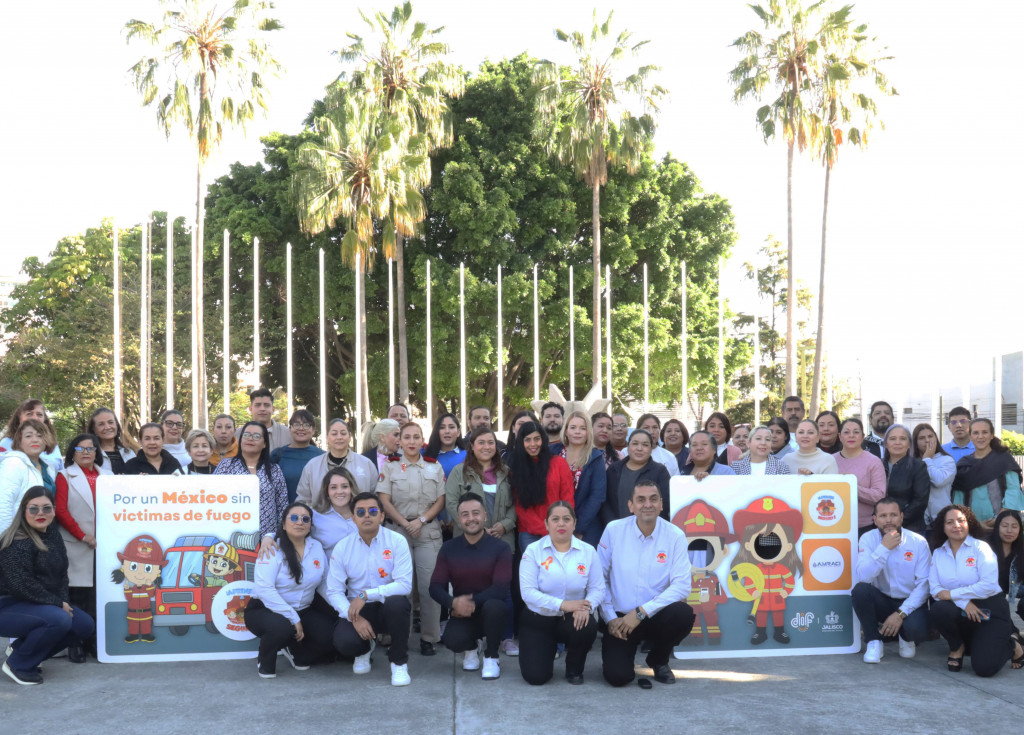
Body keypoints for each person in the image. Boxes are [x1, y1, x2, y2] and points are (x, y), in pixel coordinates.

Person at [598, 480, 694, 687]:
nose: (647, 504)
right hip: (621, 621)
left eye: (653, 499)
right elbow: (599, 578)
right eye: (640, 500)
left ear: (661, 504)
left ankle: (658, 659)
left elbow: (682, 586)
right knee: (618, 678)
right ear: (630, 506)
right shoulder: (613, 530)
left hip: (654, 615)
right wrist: (610, 618)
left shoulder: (675, 535)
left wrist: (641, 612)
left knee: (683, 613)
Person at [0, 487, 95, 685]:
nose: (40, 513)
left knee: (82, 625)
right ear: (24, 511)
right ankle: (18, 665)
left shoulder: (52, 535)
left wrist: (64, 602)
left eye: (46, 508)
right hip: (7, 605)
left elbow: (61, 576)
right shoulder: (16, 541)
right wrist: (57, 604)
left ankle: (21, 649)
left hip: (35, 604)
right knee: (58, 619)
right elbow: (21, 585)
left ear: (53, 511)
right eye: (33, 509)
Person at [326, 491, 414, 686]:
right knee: (344, 643)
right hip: (358, 610)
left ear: (382, 516)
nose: (367, 515)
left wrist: (366, 594)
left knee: (398, 603)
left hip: (386, 606)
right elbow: (334, 591)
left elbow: (404, 585)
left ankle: (398, 662)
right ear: (353, 518)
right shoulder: (343, 547)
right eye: (361, 512)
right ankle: (364, 648)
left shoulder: (397, 541)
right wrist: (353, 618)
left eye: (373, 511)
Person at [928, 504, 1023, 676]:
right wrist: (964, 603)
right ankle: (957, 646)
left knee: (984, 669)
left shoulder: (981, 548)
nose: (956, 525)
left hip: (990, 608)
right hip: (962, 609)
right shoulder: (938, 553)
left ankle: (1012, 644)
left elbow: (987, 586)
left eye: (961, 521)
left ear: (969, 523)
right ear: (943, 527)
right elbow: (935, 589)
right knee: (939, 609)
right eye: (950, 522)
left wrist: (953, 594)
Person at [378, 422, 446, 657]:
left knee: (428, 588)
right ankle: (399, 638)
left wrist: (421, 521)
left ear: (422, 440)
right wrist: (406, 523)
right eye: (406, 437)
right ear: (400, 441)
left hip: (426, 532)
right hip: (398, 530)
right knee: (400, 588)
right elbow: (384, 500)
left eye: (416, 437)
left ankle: (429, 638)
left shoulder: (434, 467)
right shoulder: (390, 467)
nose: (411, 441)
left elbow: (440, 500)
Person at [519, 501, 604, 685]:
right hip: (538, 619)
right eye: (555, 519)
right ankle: (545, 650)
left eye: (567, 519)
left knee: (587, 626)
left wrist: (586, 607)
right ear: (546, 524)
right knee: (536, 677)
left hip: (572, 618)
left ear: (574, 523)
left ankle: (574, 668)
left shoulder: (588, 551)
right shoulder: (533, 551)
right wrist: (563, 605)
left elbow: (598, 588)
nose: (561, 524)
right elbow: (528, 593)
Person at [429, 493, 513, 680]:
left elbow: (500, 587)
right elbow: (435, 587)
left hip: (491, 612)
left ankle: (492, 656)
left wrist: (468, 603)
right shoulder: (449, 548)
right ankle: (472, 649)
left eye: (475, 513)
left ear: (484, 515)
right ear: (459, 520)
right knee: (452, 640)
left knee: (495, 606)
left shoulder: (501, 548)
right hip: (463, 615)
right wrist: (452, 603)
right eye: (465, 515)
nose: (471, 519)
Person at [246, 502, 334, 678]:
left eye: (305, 519)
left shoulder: (316, 547)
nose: (299, 522)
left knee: (329, 634)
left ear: (310, 526)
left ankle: (296, 652)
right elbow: (264, 589)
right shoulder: (272, 548)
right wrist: (293, 617)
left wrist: (340, 607)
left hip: (303, 608)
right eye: (293, 517)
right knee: (283, 628)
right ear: (284, 524)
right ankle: (265, 659)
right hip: (266, 609)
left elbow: (324, 583)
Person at [853, 497, 931, 663]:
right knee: (860, 591)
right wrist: (884, 548)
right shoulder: (868, 539)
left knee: (918, 630)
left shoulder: (918, 542)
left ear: (902, 517)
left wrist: (900, 614)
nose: (888, 520)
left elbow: (924, 586)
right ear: (874, 520)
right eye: (882, 516)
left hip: (910, 602)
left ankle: (905, 635)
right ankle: (873, 641)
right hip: (882, 600)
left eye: (893, 515)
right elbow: (864, 577)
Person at [54, 433, 108, 661]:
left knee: (98, 596)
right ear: (72, 452)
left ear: (97, 451)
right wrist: (82, 536)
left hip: (104, 545)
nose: (86, 452)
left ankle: (93, 642)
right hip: (77, 544)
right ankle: (75, 643)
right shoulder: (65, 475)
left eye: (91, 448)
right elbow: (61, 511)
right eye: (81, 448)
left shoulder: (109, 477)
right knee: (77, 596)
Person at [507, 421, 574, 551]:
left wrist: (557, 525)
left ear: (543, 440)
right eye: (528, 440)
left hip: (559, 529)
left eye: (537, 439)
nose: (533, 444)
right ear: (521, 442)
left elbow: (567, 498)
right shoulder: (515, 468)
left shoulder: (559, 463)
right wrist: (545, 529)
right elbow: (520, 506)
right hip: (529, 533)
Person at [214, 421, 288, 538]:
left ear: (264, 443)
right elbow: (213, 498)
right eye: (246, 435)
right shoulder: (226, 465)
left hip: (267, 540)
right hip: (232, 536)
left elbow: (282, 505)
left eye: (257, 436)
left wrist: (279, 537)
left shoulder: (274, 470)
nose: (250, 439)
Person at [446, 428, 516, 548]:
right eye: (481, 442)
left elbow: (516, 503)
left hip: (501, 538)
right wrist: (477, 528)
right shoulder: (459, 471)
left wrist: (505, 525)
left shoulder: (506, 472)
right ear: (472, 446)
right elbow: (451, 502)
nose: (486, 447)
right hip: (468, 539)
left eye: (490, 442)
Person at [951, 418, 1024, 532]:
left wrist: (1000, 518)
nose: (980, 436)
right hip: (971, 529)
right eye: (976, 433)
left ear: (991, 435)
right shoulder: (963, 465)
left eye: (984, 432)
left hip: (1003, 527)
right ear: (970, 436)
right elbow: (958, 500)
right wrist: (973, 524)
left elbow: (1013, 491)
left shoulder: (1004, 460)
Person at [551, 411, 606, 546]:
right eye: (573, 427)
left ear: (588, 433)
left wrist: (577, 527)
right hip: (553, 522)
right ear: (566, 430)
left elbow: (597, 496)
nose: (578, 432)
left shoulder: (596, 457)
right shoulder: (552, 452)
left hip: (585, 525)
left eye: (583, 428)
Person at [296, 419, 378, 504]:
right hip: (320, 515)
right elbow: (303, 499)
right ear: (327, 437)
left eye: (343, 433)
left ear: (349, 436)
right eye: (334, 434)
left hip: (357, 516)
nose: (339, 437)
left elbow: (375, 496)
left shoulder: (366, 464)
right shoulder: (312, 466)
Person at [602, 429, 671, 525]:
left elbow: (665, 504)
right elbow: (605, 502)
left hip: (649, 529)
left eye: (645, 445)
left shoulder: (660, 471)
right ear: (628, 446)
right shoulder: (614, 469)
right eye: (635, 443)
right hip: (617, 529)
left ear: (651, 449)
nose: (639, 448)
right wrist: (613, 525)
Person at [0, 419, 58, 532]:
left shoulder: (49, 468)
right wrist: (6, 541)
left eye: (39, 436)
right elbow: (3, 504)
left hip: (43, 532)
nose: (35, 440)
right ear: (19, 441)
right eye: (28, 436)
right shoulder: (13, 463)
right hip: (19, 535)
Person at [835, 418, 887, 536]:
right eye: (846, 432)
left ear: (863, 436)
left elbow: (879, 496)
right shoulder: (829, 460)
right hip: (833, 525)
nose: (851, 436)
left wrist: (851, 486)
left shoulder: (874, 461)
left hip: (864, 528)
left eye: (856, 432)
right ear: (839, 436)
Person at [881, 424, 930, 535]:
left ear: (909, 444)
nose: (897, 442)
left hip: (911, 529)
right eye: (893, 439)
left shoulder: (918, 466)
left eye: (903, 439)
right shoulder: (877, 465)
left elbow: (920, 501)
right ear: (886, 444)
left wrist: (897, 521)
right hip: (880, 528)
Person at [269, 410, 324, 502]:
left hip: (314, 513)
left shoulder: (322, 456)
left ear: (313, 430)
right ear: (290, 429)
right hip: (284, 513)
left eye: (306, 425)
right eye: (296, 424)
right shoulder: (277, 455)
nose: (301, 428)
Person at [914, 422, 956, 534]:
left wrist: (927, 459)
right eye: (922, 438)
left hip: (941, 520)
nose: (927, 440)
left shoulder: (947, 460)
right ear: (916, 442)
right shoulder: (912, 462)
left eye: (930, 436)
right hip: (918, 522)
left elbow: (938, 481)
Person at [1, 399, 63, 471]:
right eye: (29, 414)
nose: (35, 418)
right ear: (19, 419)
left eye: (39, 415)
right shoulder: (6, 442)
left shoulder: (52, 444)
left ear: (44, 420)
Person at [310, 467, 358, 556]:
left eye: (344, 486)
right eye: (333, 487)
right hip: (328, 568)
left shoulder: (363, 513)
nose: (339, 491)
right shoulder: (314, 515)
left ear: (351, 489)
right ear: (326, 491)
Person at [989, 509, 1024, 621]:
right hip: (987, 597)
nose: (1009, 531)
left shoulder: (1021, 549)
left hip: (1013, 592)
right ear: (997, 526)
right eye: (1004, 525)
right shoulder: (985, 547)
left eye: (1014, 526)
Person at [86, 407, 136, 474]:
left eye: (110, 422)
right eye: (101, 424)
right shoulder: (89, 454)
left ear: (117, 425)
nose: (107, 427)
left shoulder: (129, 453)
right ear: (94, 430)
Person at [423, 413, 466, 479]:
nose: (447, 431)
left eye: (451, 427)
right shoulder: (425, 455)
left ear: (458, 432)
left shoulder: (468, 455)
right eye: (442, 427)